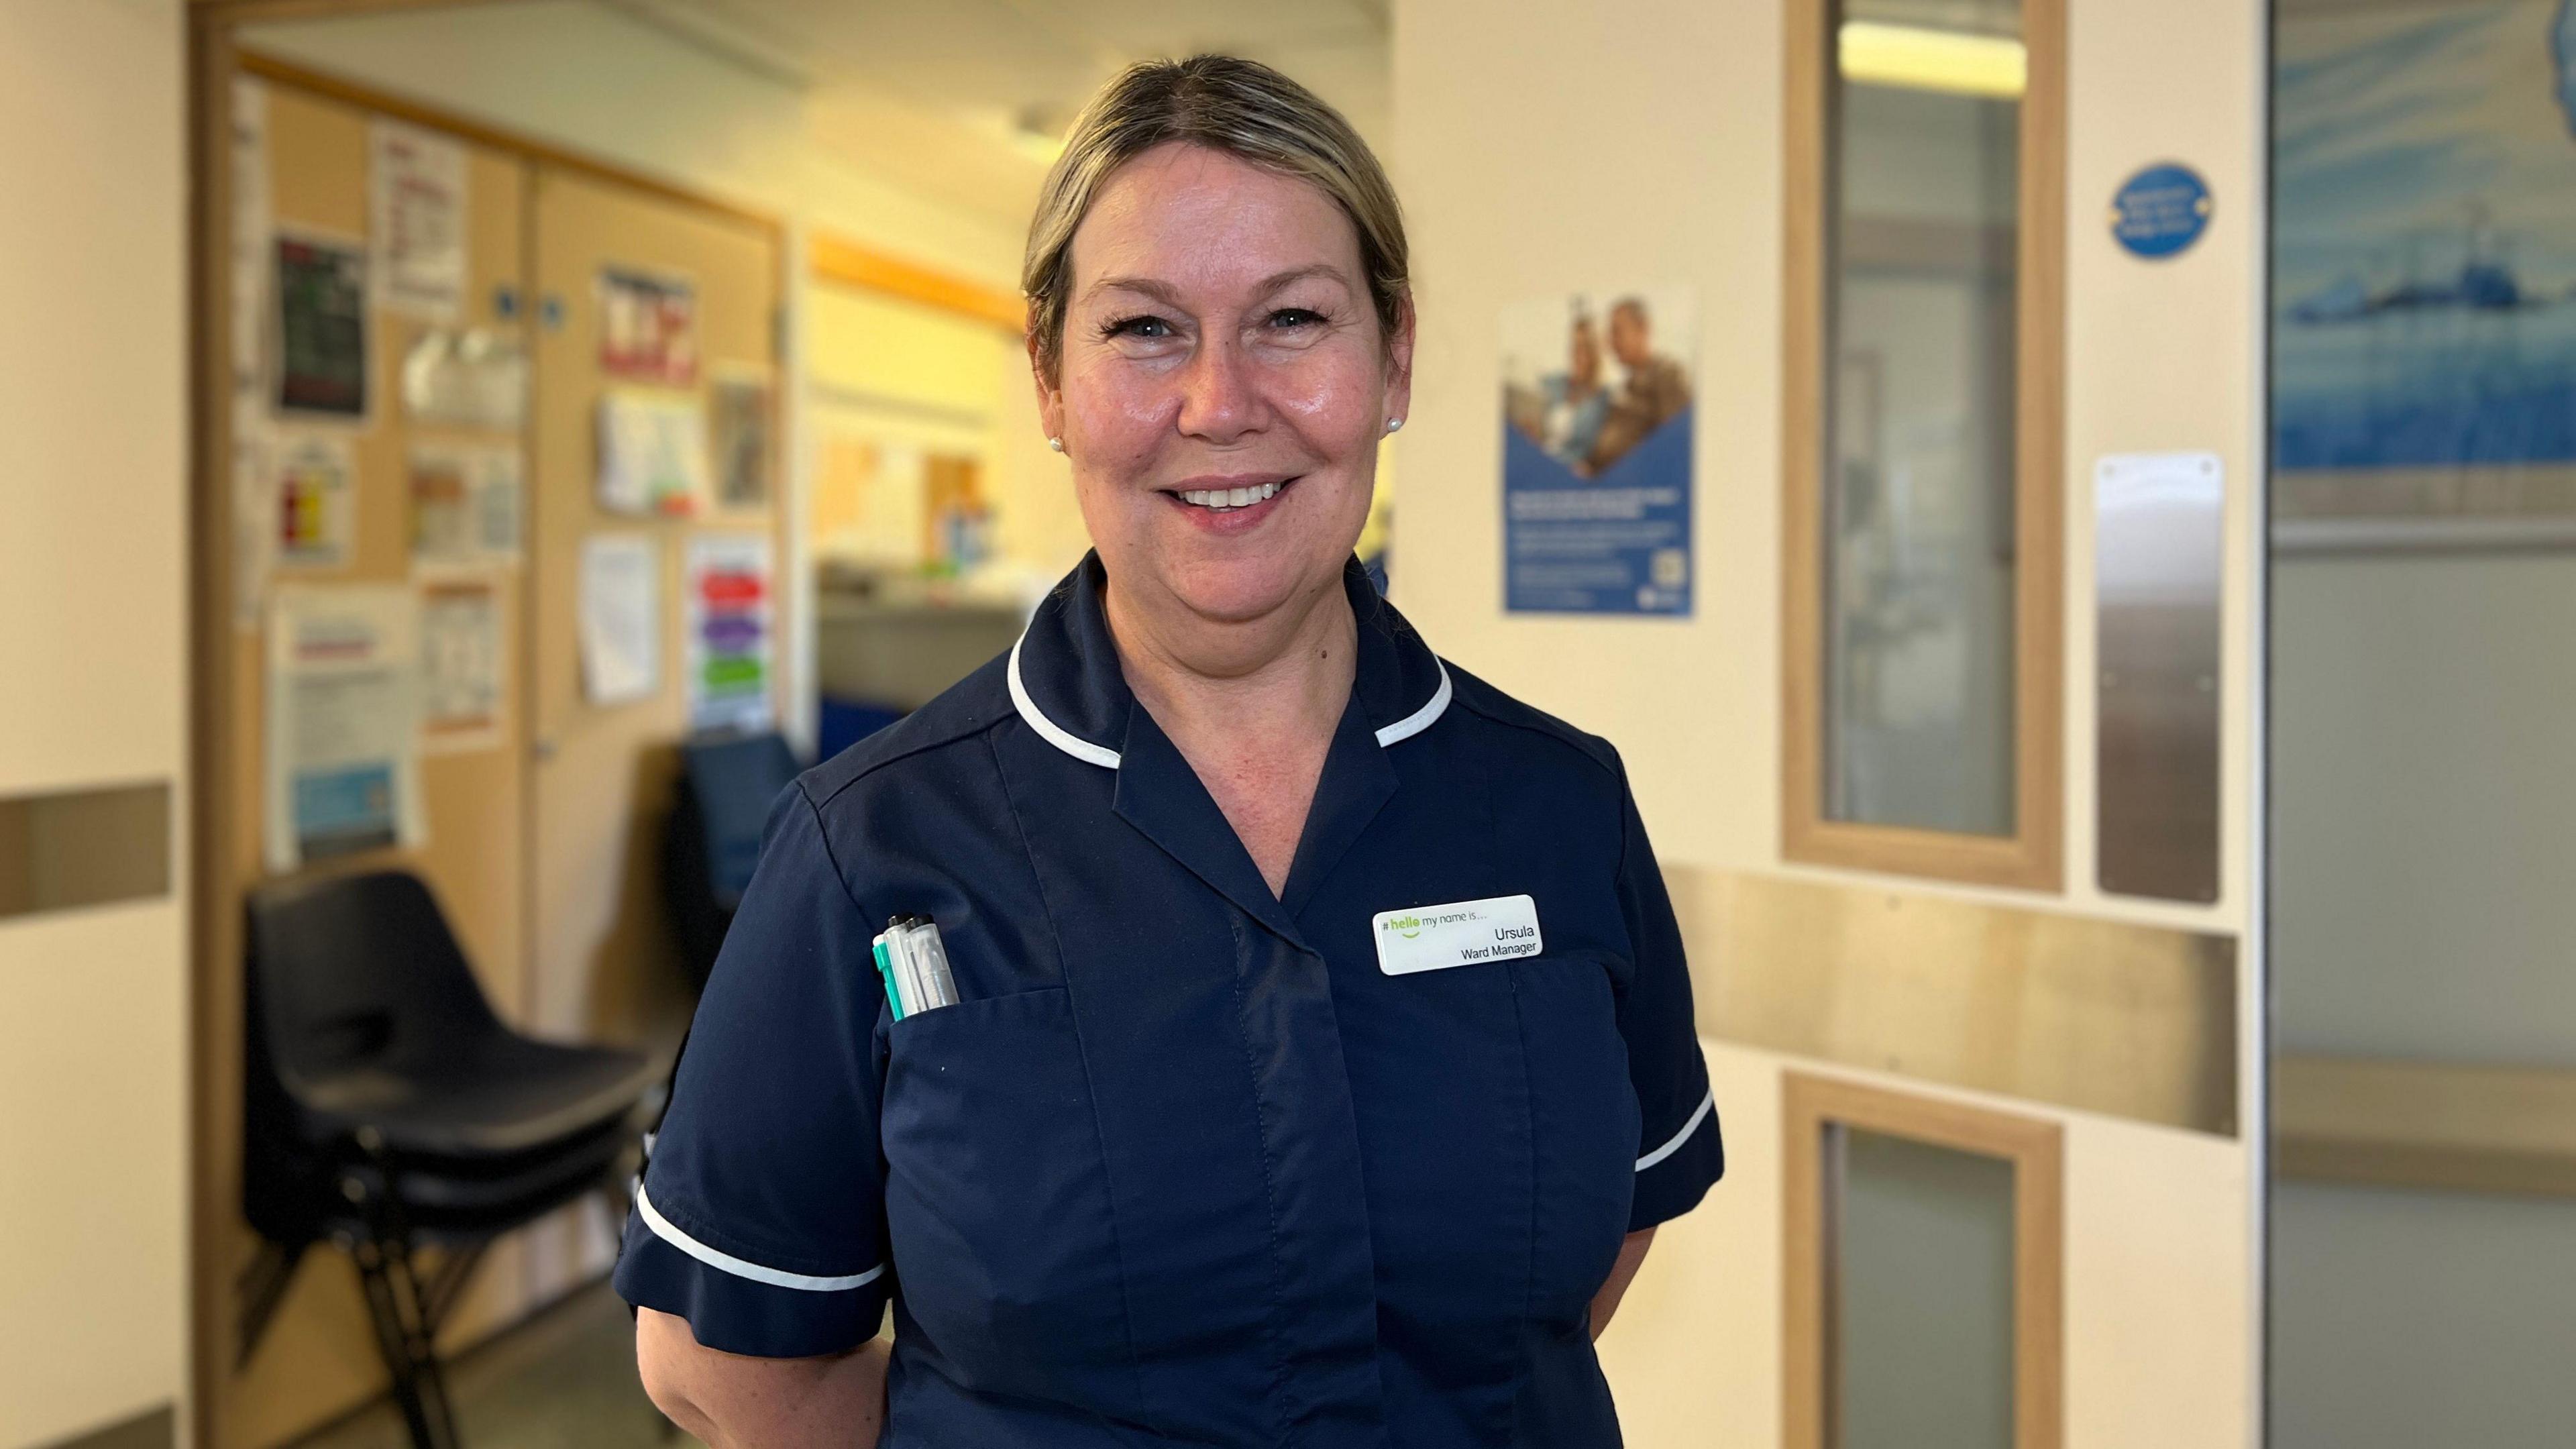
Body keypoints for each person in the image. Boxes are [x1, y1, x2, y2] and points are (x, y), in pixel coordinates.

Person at [619, 54, 1723, 1448]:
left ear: (1392, 359)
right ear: (1052, 381)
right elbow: (724, 1367)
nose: (1219, 403)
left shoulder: (1557, 808)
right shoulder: (870, 850)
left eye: (1293, 320)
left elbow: (1602, 1240)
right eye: (1145, 329)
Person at [1583, 297, 1692, 474]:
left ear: (1643, 329)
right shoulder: (1624, 386)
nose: (1611, 342)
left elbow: (1675, 445)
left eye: (1617, 332)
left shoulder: (1669, 373)